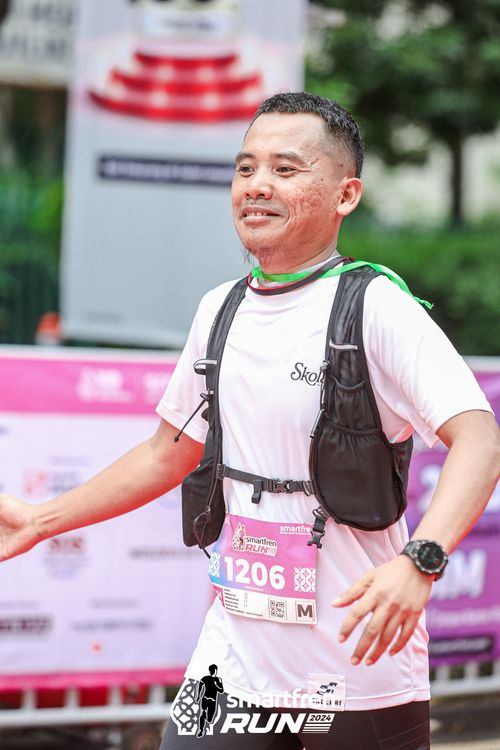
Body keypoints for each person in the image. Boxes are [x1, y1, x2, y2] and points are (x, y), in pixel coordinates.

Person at [0, 93, 498, 749]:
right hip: (232, 658)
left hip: (355, 656)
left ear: (346, 195)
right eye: (245, 168)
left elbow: (480, 438)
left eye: (285, 169)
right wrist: (40, 520)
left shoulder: (377, 307)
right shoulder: (221, 309)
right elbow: (168, 452)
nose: (257, 185)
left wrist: (420, 562)